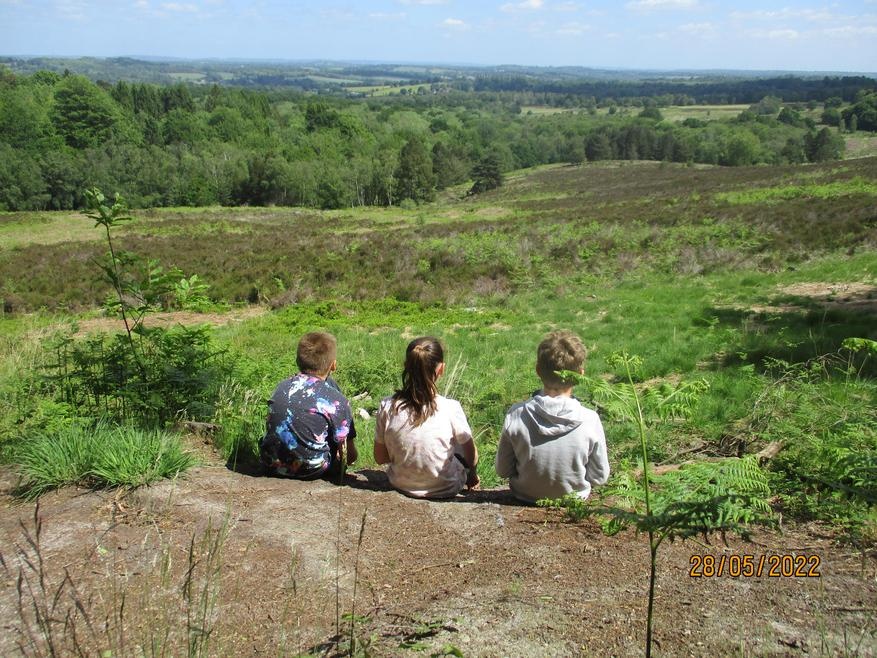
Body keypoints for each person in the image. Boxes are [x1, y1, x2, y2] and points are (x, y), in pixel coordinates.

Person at [495, 331, 609, 503]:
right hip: (574, 499)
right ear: (580, 374)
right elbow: (599, 477)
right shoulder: (590, 419)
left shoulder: (516, 414)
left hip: (524, 496)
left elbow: (502, 470)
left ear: (538, 370)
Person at [374, 336, 479, 498]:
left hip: (400, 483)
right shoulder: (451, 407)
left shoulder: (387, 405)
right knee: (460, 438)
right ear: (441, 369)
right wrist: (472, 472)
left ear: (406, 366)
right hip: (447, 486)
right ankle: (471, 480)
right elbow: (472, 457)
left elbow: (380, 458)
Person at [260, 331, 358, 479]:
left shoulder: (281, 388)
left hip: (271, 464)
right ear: (333, 365)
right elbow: (350, 456)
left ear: (297, 361)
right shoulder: (337, 400)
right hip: (311, 470)